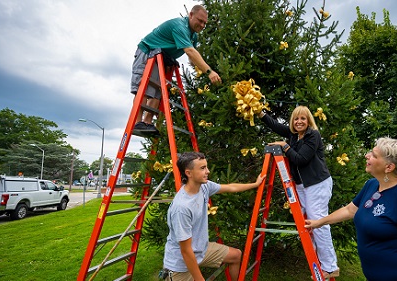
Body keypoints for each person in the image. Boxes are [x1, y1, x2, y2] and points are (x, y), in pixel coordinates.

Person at [305, 137, 397, 281]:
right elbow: (350, 210)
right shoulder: (372, 185)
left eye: (374, 155)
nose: (367, 155)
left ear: (389, 167)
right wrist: (319, 222)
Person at [258, 106, 339, 278]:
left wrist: (285, 147)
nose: (299, 122)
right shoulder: (294, 135)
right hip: (302, 185)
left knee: (318, 222)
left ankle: (330, 266)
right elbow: (276, 126)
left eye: (303, 118)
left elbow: (301, 159)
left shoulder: (313, 136)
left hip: (317, 183)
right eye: (296, 119)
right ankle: (318, 259)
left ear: (309, 120)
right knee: (307, 223)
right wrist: (260, 113)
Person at [162, 151, 265, 281]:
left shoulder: (204, 187)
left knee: (236, 255)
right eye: (202, 168)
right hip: (181, 265)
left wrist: (255, 184)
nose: (208, 171)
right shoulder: (182, 207)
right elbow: (186, 252)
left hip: (201, 250)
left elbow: (231, 187)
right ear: (189, 173)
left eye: (206, 167)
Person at [131, 5, 222, 132]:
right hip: (147, 52)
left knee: (157, 91)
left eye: (204, 23)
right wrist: (209, 72)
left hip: (161, 58)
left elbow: (192, 57)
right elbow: (189, 51)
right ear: (191, 15)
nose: (202, 25)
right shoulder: (179, 26)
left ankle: (147, 123)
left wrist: (199, 70)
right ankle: (137, 122)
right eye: (200, 21)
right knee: (143, 87)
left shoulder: (193, 36)